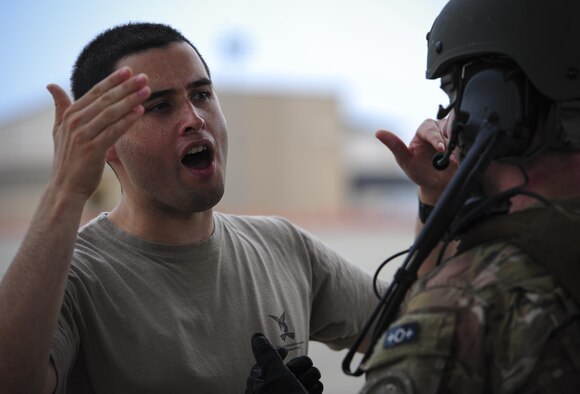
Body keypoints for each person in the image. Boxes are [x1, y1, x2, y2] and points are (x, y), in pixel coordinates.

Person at [0, 22, 379, 393]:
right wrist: (65, 190)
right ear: (107, 140)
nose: (195, 119)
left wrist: (431, 201)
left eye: (201, 95)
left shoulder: (284, 246)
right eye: (161, 106)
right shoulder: (75, 280)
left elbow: (416, 324)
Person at [246, 0, 580, 392]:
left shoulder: (466, 307)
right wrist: (438, 196)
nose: (448, 117)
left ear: (495, 106)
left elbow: (427, 312)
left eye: (457, 96)